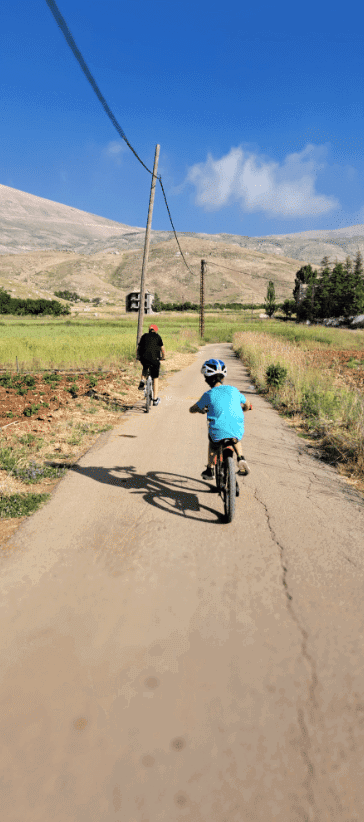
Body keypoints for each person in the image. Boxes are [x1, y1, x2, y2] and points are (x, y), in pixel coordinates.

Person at [189, 358, 252, 479]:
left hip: (218, 432)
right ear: (223, 377)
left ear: (207, 379)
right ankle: (241, 458)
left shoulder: (208, 395)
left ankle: (210, 469)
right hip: (236, 429)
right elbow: (247, 404)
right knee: (235, 438)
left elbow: (193, 408)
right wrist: (244, 409)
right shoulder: (234, 390)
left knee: (213, 444)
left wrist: (198, 410)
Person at [136, 324, 165, 406]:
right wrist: (163, 357)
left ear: (149, 330)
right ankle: (155, 400)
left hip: (144, 358)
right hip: (155, 360)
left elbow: (138, 348)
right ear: (156, 330)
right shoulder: (158, 337)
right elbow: (163, 349)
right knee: (155, 378)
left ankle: (142, 380)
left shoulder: (144, 336)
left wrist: (138, 357)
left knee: (145, 367)